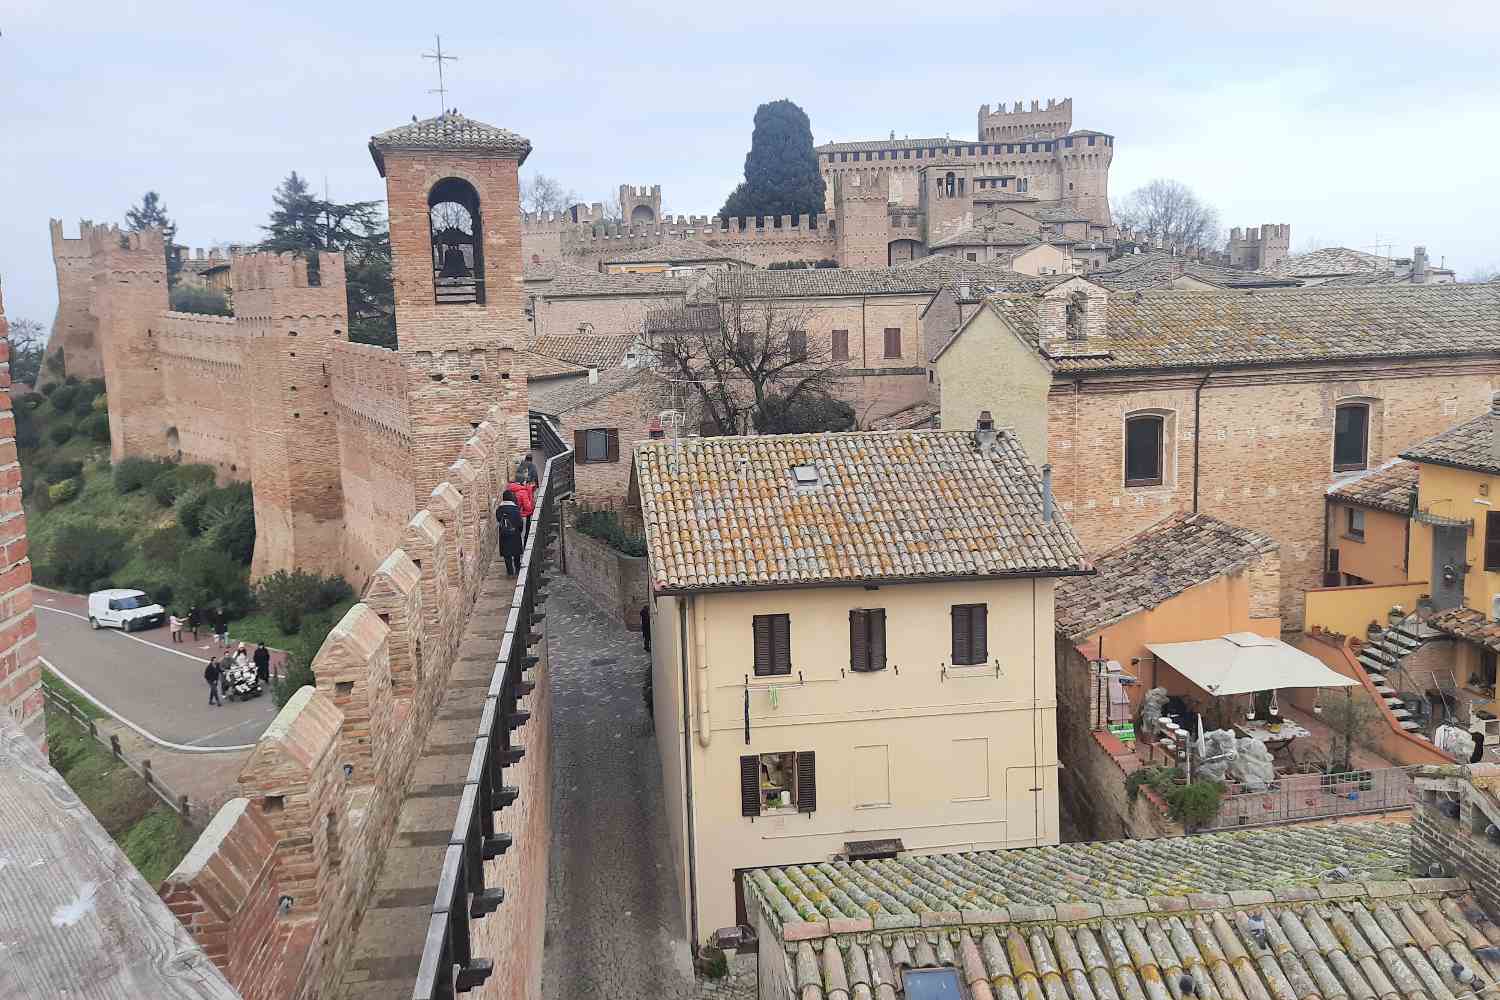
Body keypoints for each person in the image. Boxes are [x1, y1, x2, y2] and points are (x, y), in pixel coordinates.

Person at [496, 490, 525, 575]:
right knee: (516, 554)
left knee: (507, 555)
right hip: (515, 534)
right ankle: (518, 569)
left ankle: (510, 572)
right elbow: (520, 523)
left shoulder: (499, 510)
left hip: (504, 535)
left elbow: (499, 520)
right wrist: (519, 531)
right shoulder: (515, 509)